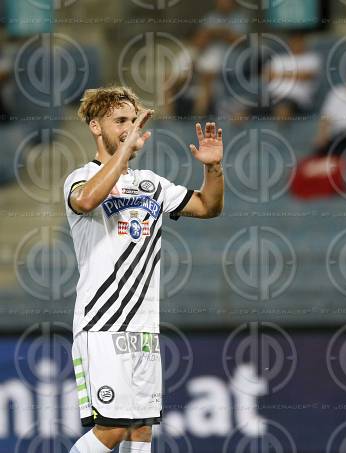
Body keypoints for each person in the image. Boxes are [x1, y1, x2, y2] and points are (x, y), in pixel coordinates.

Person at [65, 87, 224, 452]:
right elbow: (87, 199)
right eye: (120, 120)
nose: (129, 128)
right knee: (112, 430)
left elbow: (208, 206)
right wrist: (122, 153)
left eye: (133, 120)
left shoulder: (150, 184)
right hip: (102, 326)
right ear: (95, 126)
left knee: (140, 430)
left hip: (144, 328)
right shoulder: (79, 178)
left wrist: (212, 168)